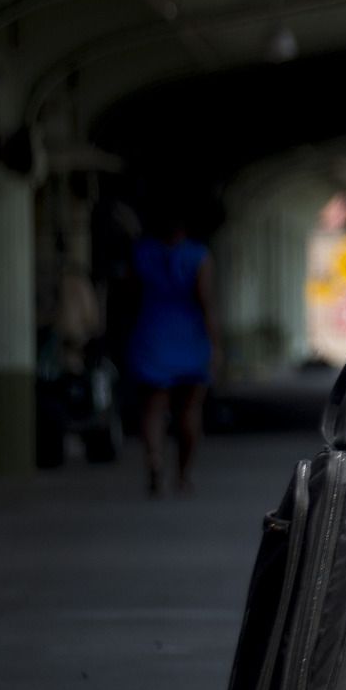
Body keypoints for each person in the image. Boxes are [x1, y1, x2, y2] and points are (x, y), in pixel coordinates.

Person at [128, 206, 219, 498]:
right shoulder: (198, 256)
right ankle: (183, 475)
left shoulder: (142, 254)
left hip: (152, 330)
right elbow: (205, 300)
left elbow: (128, 296)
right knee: (189, 410)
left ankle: (154, 462)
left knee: (153, 407)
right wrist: (215, 342)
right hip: (189, 333)